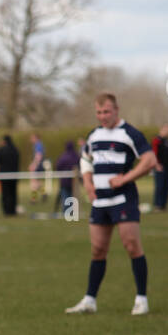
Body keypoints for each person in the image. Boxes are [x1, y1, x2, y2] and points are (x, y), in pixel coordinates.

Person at [65, 93, 155, 316]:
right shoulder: (94, 135)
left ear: (116, 110)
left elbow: (150, 160)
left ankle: (141, 299)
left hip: (123, 199)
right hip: (100, 201)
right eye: (98, 112)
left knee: (132, 246)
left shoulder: (129, 133)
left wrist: (125, 179)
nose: (102, 116)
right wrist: (87, 182)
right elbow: (85, 158)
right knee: (97, 250)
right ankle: (89, 300)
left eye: (106, 111)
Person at [0, 135, 20, 217]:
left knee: (5, 194)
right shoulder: (15, 149)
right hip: (14, 175)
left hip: (4, 176)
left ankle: (6, 211)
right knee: (13, 194)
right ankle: (13, 210)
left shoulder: (2, 150)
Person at [54, 140, 80, 215]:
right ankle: (72, 212)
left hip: (64, 181)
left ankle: (66, 212)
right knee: (73, 196)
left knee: (65, 196)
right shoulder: (76, 156)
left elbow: (58, 166)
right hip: (74, 181)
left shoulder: (63, 157)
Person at [151, 125, 168, 210]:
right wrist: (156, 165)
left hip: (167, 168)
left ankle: (164, 205)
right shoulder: (156, 140)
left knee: (166, 187)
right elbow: (153, 153)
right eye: (165, 130)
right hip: (159, 167)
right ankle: (157, 205)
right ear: (161, 130)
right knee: (160, 186)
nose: (167, 132)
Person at [28, 133, 46, 202]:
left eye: (32, 138)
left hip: (37, 166)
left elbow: (38, 156)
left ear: (36, 138)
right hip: (39, 165)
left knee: (33, 182)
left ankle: (34, 198)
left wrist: (33, 165)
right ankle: (44, 193)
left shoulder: (38, 145)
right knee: (37, 182)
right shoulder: (39, 145)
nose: (31, 140)